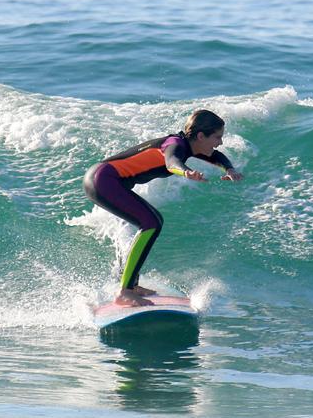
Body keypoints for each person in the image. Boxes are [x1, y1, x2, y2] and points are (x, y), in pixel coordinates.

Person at [83, 109, 244, 307]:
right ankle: (125, 291)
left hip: (105, 180)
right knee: (150, 223)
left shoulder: (188, 146)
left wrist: (230, 169)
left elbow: (216, 156)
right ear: (201, 136)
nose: (220, 142)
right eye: (217, 137)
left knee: (154, 221)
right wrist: (185, 172)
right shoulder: (175, 144)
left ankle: (131, 286)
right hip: (103, 179)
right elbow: (171, 163)